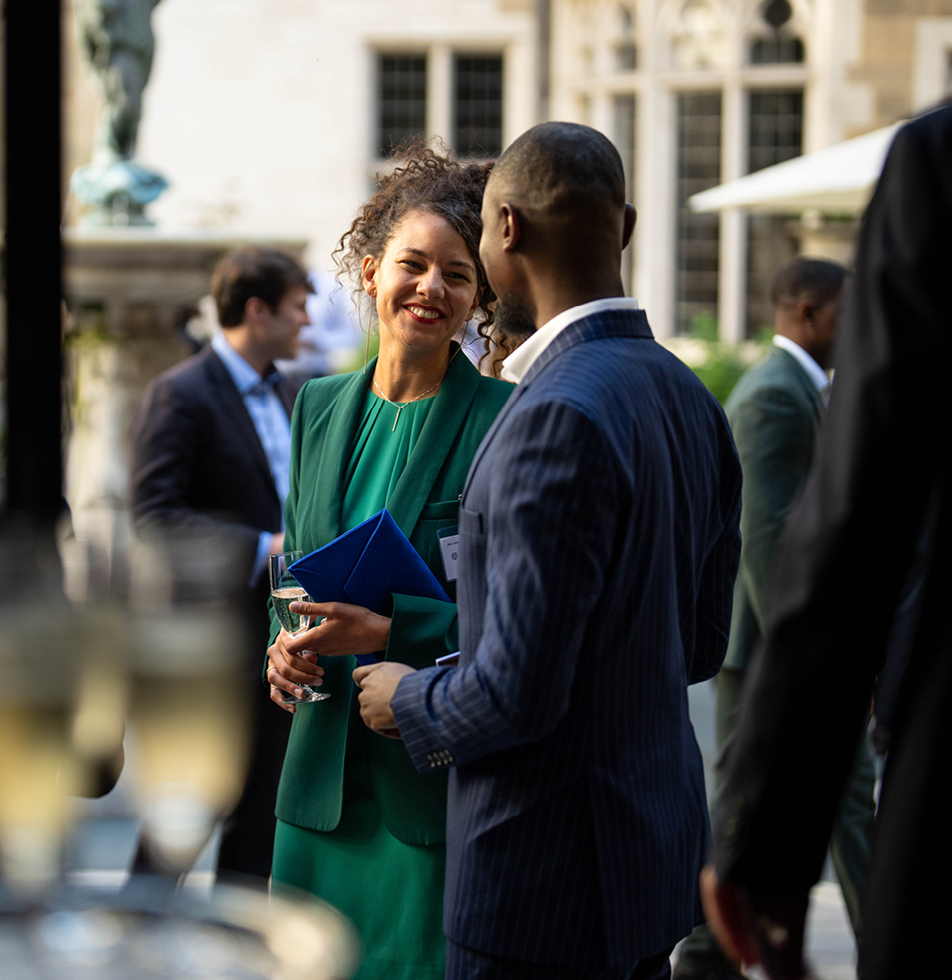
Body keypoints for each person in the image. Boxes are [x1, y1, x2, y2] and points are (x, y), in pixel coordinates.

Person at [353, 121, 743, 980]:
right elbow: (701, 643)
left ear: (506, 233)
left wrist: (406, 695)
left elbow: (515, 700)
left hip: (542, 879)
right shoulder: (690, 397)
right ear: (628, 228)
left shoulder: (551, 416)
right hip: (650, 855)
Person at [701, 104, 952, 980]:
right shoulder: (773, 393)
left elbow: (859, 511)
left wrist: (763, 841)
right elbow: (776, 529)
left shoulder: (938, 159)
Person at [264, 148, 513, 980]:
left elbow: (520, 610)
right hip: (314, 789)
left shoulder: (504, 417)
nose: (431, 289)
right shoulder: (318, 406)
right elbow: (296, 566)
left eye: (458, 274)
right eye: (412, 265)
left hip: (426, 789)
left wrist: (394, 630)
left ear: (480, 296)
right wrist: (282, 639)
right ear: (371, 272)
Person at [674, 258, 876, 980]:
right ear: (808, 314)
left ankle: (707, 951)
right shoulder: (772, 396)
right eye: (847, 315)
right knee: (801, 798)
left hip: (786, 648)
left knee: (767, 802)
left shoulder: (802, 389)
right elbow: (764, 542)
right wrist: (806, 661)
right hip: (769, 651)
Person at [130, 244, 311, 883]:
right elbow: (154, 518)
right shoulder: (178, 394)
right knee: (181, 821)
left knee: (261, 820)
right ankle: (138, 944)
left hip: (282, 639)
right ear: (257, 311)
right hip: (210, 641)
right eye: (298, 308)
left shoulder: (298, 394)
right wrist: (270, 549)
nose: (308, 323)